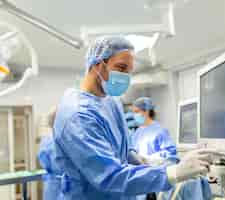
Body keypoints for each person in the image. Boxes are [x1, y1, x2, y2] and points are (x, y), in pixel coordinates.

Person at [52, 36, 213, 200]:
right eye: (121, 68)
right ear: (98, 65)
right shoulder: (78, 116)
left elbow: (125, 149)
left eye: (129, 71)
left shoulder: (110, 101)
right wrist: (174, 172)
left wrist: (146, 164)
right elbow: (110, 177)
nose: (125, 77)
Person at [130, 97, 212, 200]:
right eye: (134, 112)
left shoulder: (159, 131)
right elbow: (132, 153)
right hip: (145, 179)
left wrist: (149, 160)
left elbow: (171, 156)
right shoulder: (137, 133)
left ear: (146, 111)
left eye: (137, 112)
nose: (135, 115)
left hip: (159, 173)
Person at [38, 107, 62, 200]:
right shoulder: (66, 140)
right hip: (63, 187)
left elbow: (44, 163)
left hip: (51, 185)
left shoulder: (46, 140)